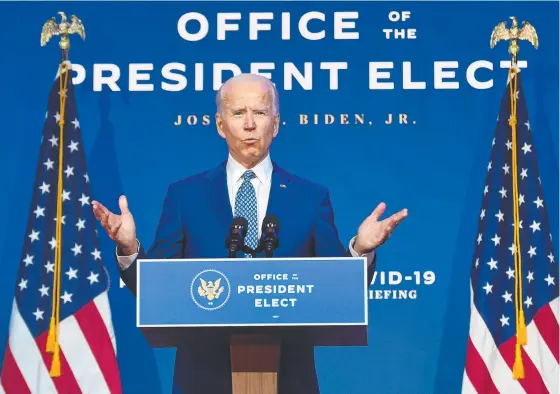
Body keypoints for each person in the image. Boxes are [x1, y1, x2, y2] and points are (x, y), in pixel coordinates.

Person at [92, 73, 407, 394]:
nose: (249, 124)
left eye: (259, 112)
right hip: (202, 378)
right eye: (238, 113)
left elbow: (334, 286)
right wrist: (130, 248)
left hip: (289, 377)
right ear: (220, 124)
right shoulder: (185, 196)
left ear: (276, 123)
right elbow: (158, 288)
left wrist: (359, 251)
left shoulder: (310, 197)